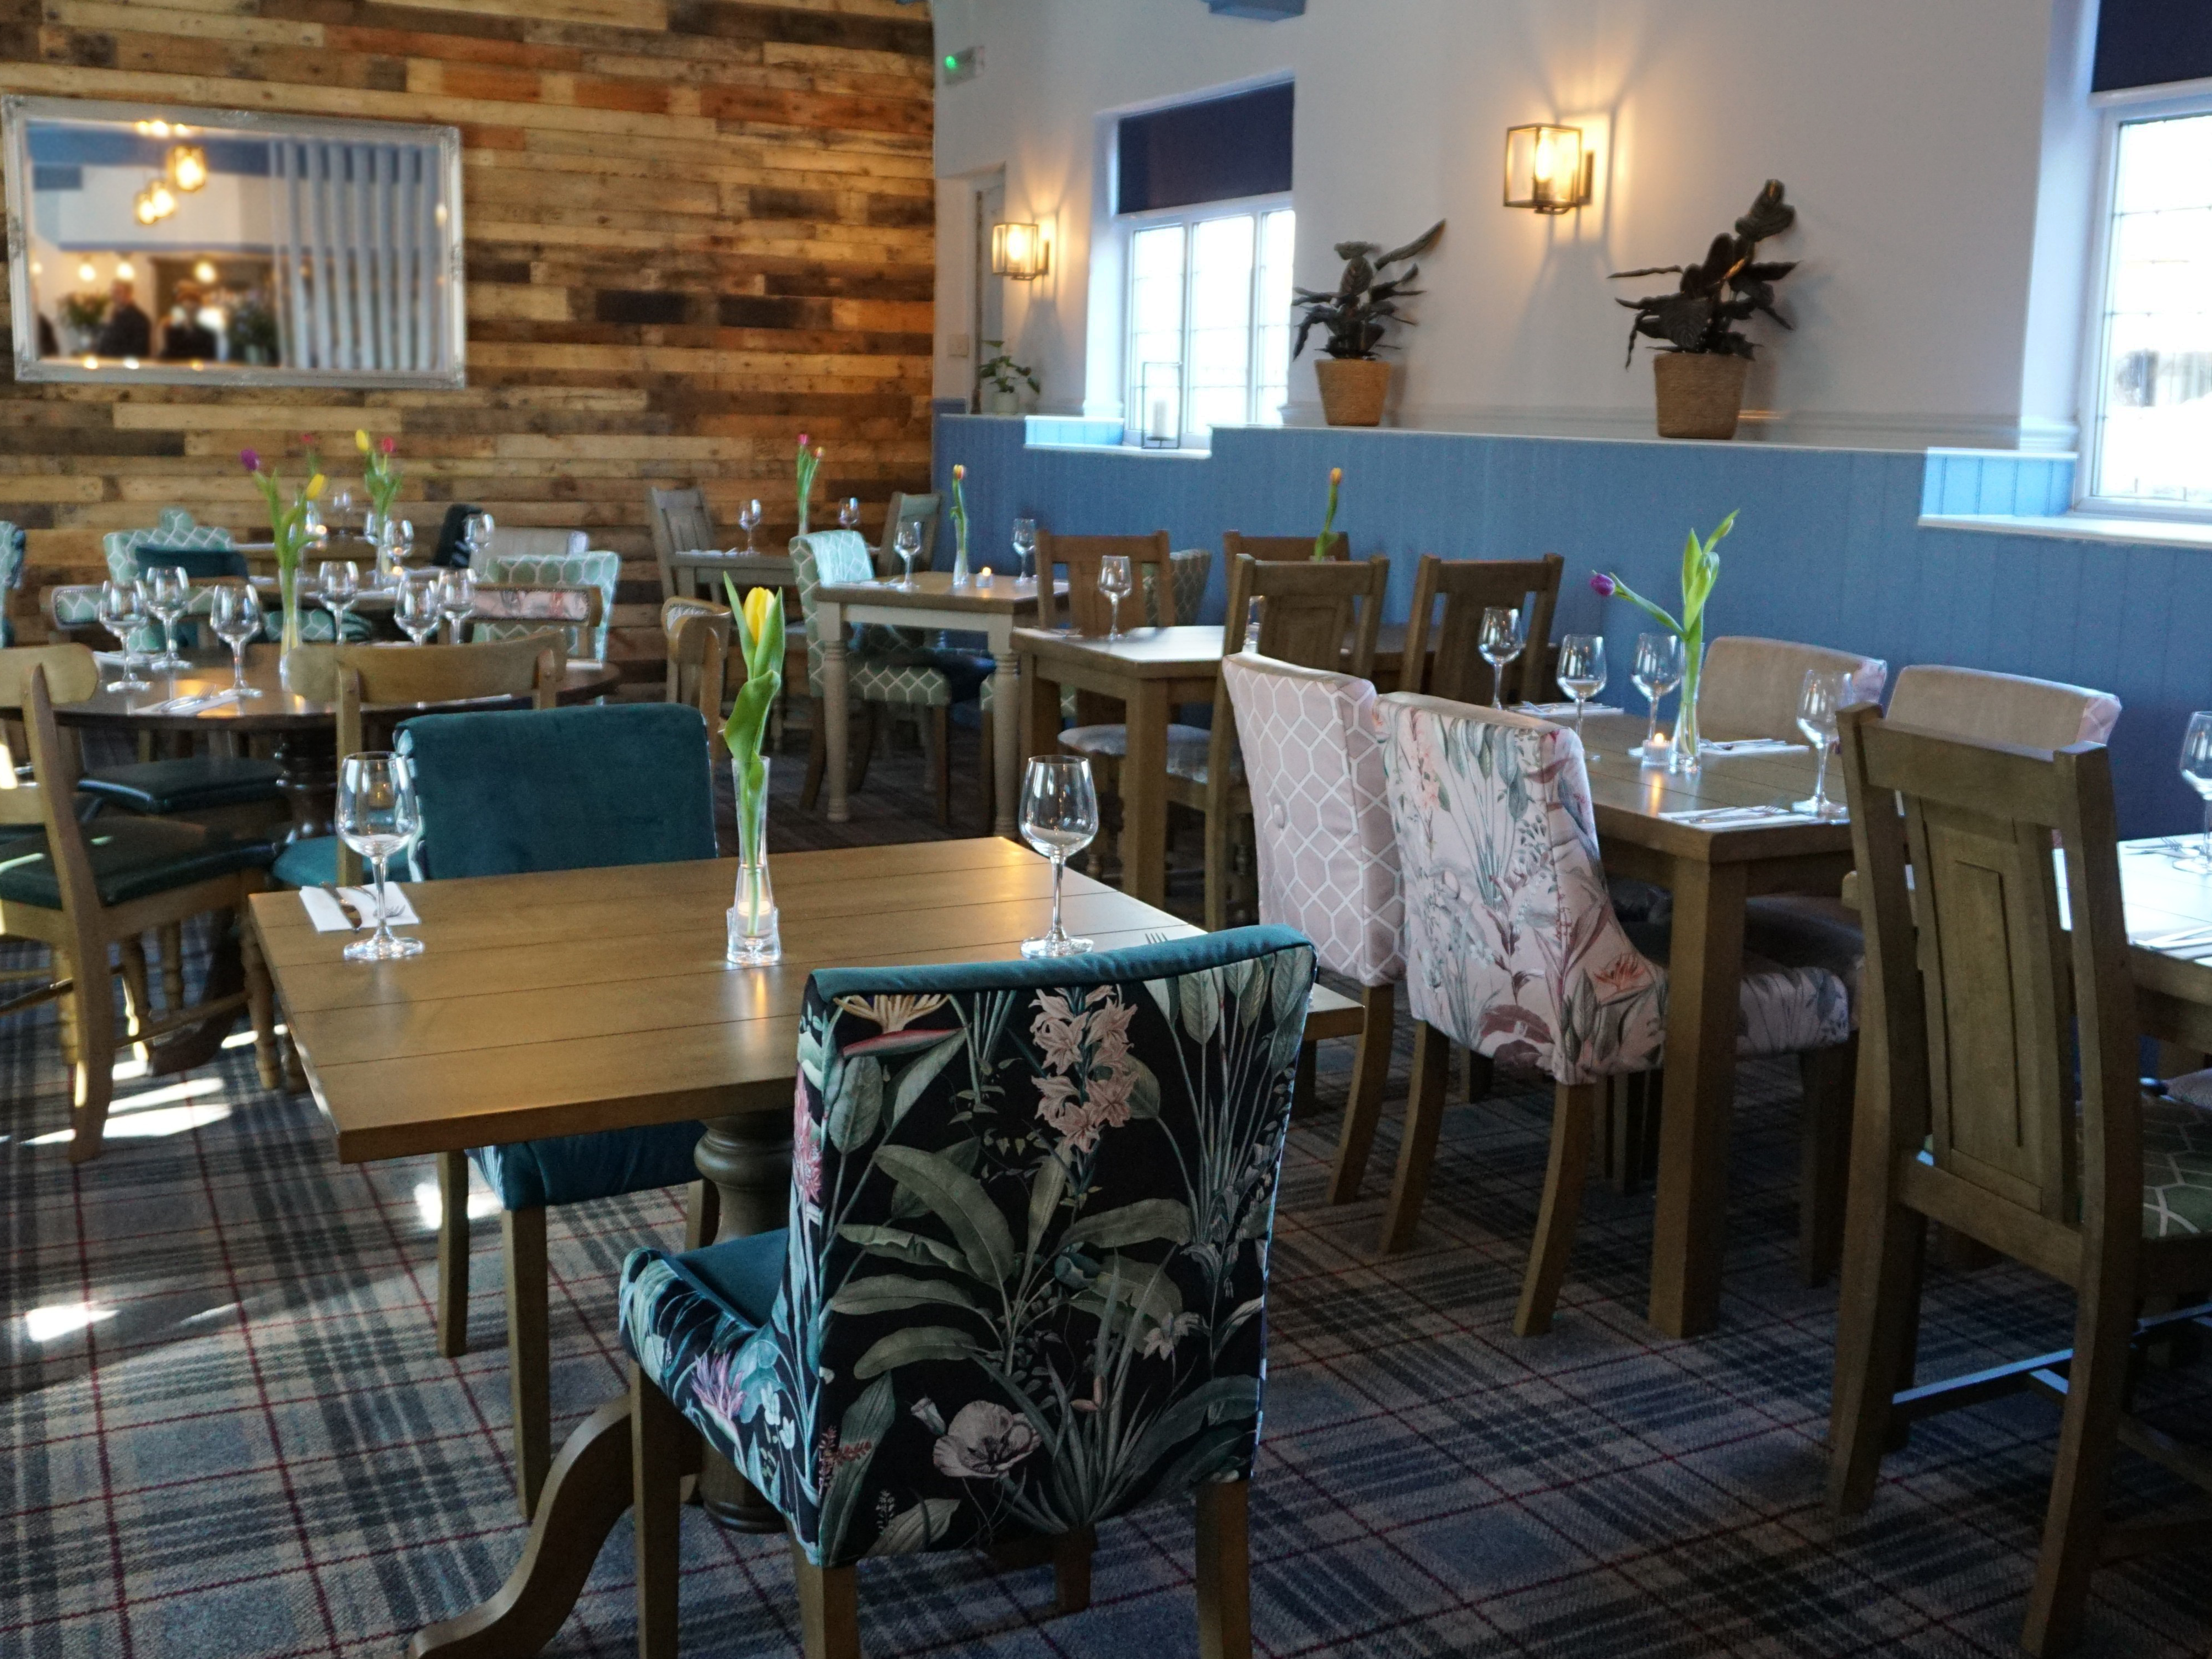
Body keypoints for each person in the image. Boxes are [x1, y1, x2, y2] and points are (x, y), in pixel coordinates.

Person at [159, 282, 218, 361]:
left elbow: (210, 359)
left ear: (199, 309)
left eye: (193, 308)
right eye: (187, 309)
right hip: (179, 371)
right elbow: (168, 356)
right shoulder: (172, 331)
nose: (190, 307)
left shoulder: (208, 334)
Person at [95, 281, 150, 358]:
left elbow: (139, 351)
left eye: (118, 292)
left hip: (122, 367)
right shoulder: (112, 316)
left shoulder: (139, 319)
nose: (113, 296)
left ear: (129, 295)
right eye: (112, 292)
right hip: (107, 365)